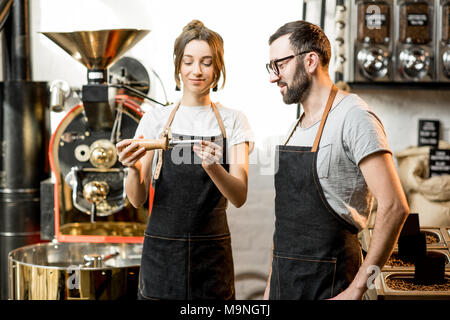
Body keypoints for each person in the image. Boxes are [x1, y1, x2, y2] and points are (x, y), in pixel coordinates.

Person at [263, 21, 409, 300]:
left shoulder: (353, 116)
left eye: (278, 65)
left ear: (310, 60)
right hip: (285, 286)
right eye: (271, 68)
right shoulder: (296, 128)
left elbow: (395, 207)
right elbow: (285, 225)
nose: (273, 77)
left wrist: (357, 289)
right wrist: (271, 286)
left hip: (332, 286)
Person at [116, 20, 254, 300]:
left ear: (218, 68)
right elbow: (136, 199)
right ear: (178, 65)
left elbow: (239, 195)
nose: (197, 71)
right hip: (162, 255)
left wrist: (214, 168)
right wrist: (132, 170)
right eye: (189, 61)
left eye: (206, 62)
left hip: (211, 258)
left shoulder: (233, 121)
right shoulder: (155, 119)